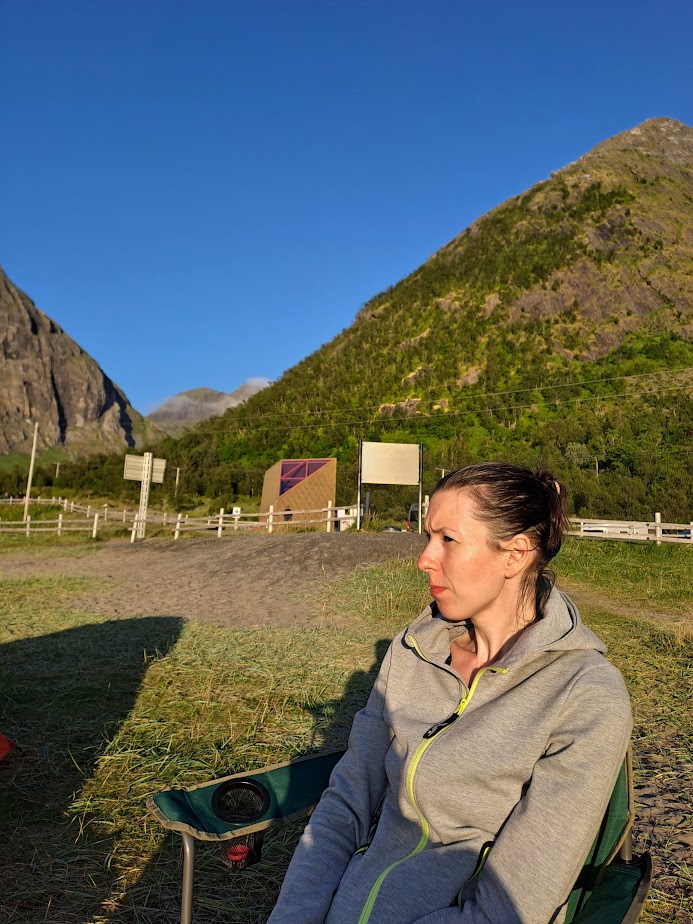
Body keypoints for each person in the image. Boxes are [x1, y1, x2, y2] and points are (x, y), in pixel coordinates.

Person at [268, 463, 633, 924]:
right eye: (427, 537)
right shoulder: (414, 650)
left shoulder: (584, 696)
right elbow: (346, 802)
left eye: (448, 540)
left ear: (515, 555)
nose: (424, 559)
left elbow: (512, 906)